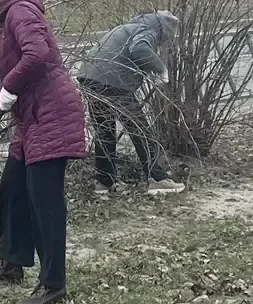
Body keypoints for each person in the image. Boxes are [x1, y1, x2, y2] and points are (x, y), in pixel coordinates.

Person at [0, 0, 86, 304]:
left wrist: (12, 87)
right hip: (30, 118)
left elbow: (37, 54)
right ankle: (12, 261)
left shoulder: (21, 11)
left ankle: (53, 285)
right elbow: (5, 77)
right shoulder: (3, 20)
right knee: (13, 188)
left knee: (44, 200)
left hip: (52, 115)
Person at [77, 10, 184, 196]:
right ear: (164, 30)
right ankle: (157, 179)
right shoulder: (149, 30)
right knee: (140, 130)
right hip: (112, 82)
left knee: (104, 130)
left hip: (90, 78)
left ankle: (104, 182)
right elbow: (139, 49)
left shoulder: (128, 28)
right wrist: (160, 69)